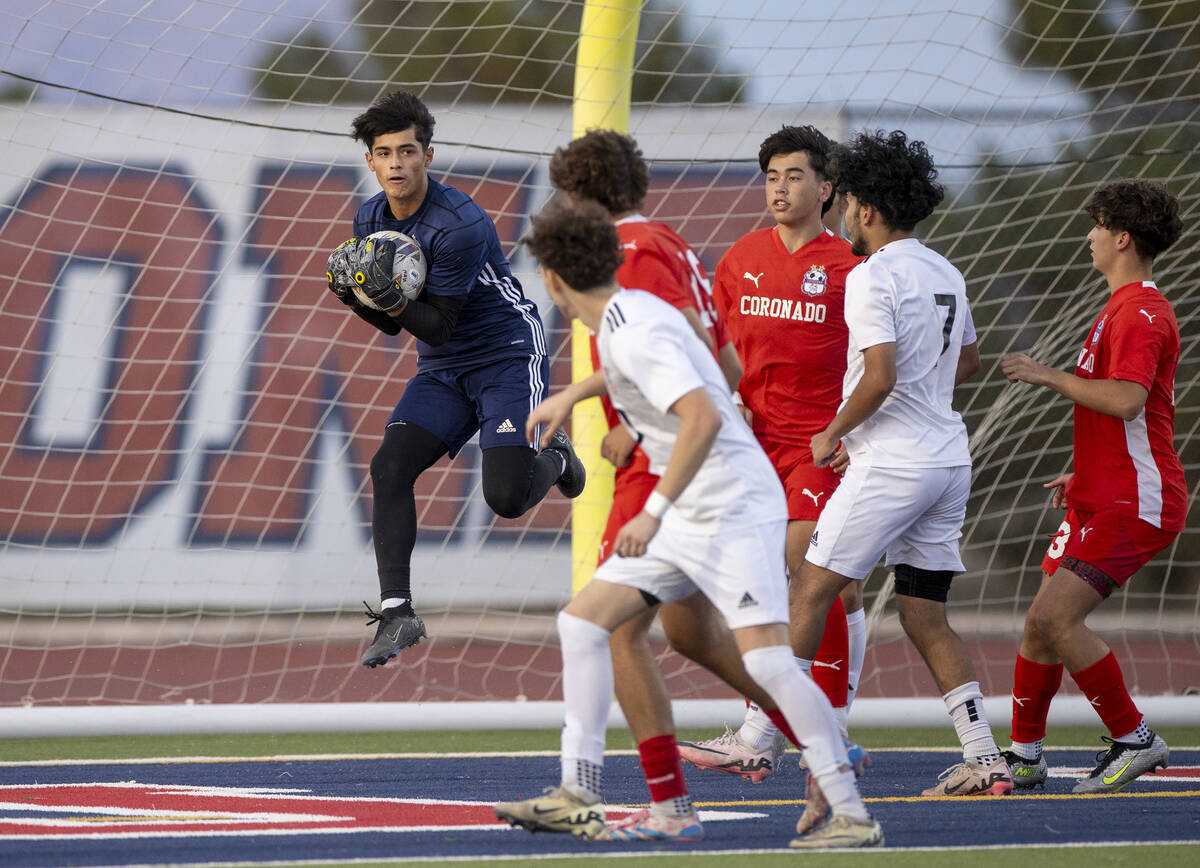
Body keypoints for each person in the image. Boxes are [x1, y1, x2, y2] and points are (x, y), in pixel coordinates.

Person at [494, 196, 883, 850]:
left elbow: (702, 415)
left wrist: (651, 512)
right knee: (584, 621)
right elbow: (668, 362)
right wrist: (572, 392)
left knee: (772, 664)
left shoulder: (631, 327)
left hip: (730, 506)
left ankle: (850, 810)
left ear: (554, 281)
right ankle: (581, 793)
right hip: (692, 510)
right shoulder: (631, 311)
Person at [547, 130, 788, 834]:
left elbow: (668, 339)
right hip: (682, 451)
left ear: (580, 195)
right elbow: (711, 350)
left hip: (665, 461)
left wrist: (628, 420)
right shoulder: (667, 240)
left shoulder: (635, 251)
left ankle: (650, 799)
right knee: (688, 635)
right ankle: (817, 733)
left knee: (610, 629)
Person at [786, 129, 1015, 798]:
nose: (844, 214)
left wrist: (833, 433)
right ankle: (986, 758)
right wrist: (917, 403)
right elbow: (964, 361)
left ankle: (763, 734)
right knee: (924, 614)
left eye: (848, 200)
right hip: (947, 459)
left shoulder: (871, 274)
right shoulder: (944, 268)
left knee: (809, 586)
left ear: (867, 207)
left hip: (894, 465)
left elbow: (880, 376)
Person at [325, 90, 585, 668]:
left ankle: (558, 459)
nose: (396, 164)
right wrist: (352, 295)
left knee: (506, 497)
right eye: (384, 153)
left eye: (408, 151)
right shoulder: (369, 216)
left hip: (505, 353)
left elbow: (437, 324)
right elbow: (395, 329)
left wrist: (378, 294)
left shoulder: (459, 222)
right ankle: (398, 611)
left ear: (429, 154)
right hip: (444, 368)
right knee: (389, 466)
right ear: (370, 160)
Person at [679, 125, 867, 783]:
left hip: (821, 447)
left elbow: (881, 367)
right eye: (771, 177)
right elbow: (716, 352)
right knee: (792, 581)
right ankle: (814, 725)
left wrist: (857, 436)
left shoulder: (850, 269)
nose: (780, 188)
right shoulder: (739, 258)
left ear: (826, 188)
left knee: (808, 569)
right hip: (753, 446)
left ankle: (803, 731)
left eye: (793, 175)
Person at [998, 179, 1185, 793]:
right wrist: (1086, 472)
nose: (1090, 235)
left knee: (1057, 619)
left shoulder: (1139, 313)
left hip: (1137, 502)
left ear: (1122, 237)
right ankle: (1024, 757)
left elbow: (1129, 402)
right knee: (1037, 624)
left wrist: (1043, 374)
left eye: (1098, 226)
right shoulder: (1120, 308)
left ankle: (1135, 739)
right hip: (1102, 492)